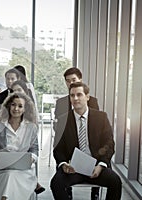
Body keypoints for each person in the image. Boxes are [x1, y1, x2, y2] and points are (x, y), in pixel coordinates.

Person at [50, 82, 122, 200]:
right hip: (73, 168)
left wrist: (101, 165)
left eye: (79, 94)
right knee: (56, 183)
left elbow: (109, 144)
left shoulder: (101, 117)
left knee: (115, 182)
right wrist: (63, 164)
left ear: (87, 97)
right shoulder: (63, 120)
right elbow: (58, 148)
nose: (75, 98)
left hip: (96, 167)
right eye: (72, 95)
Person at [53, 67, 99, 200]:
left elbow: (95, 127)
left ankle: (95, 192)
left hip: (88, 142)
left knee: (99, 155)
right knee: (60, 155)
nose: (70, 83)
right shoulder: (61, 103)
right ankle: (67, 190)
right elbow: (59, 129)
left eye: (73, 80)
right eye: (67, 81)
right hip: (69, 144)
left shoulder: (92, 101)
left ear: (80, 80)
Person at [0, 92, 40, 200]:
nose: (16, 109)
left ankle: (5, 198)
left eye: (20, 106)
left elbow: (34, 149)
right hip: (2, 168)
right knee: (9, 174)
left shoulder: (31, 127)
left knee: (11, 175)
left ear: (25, 109)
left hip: (22, 169)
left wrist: (31, 159)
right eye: (13, 105)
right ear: (8, 106)